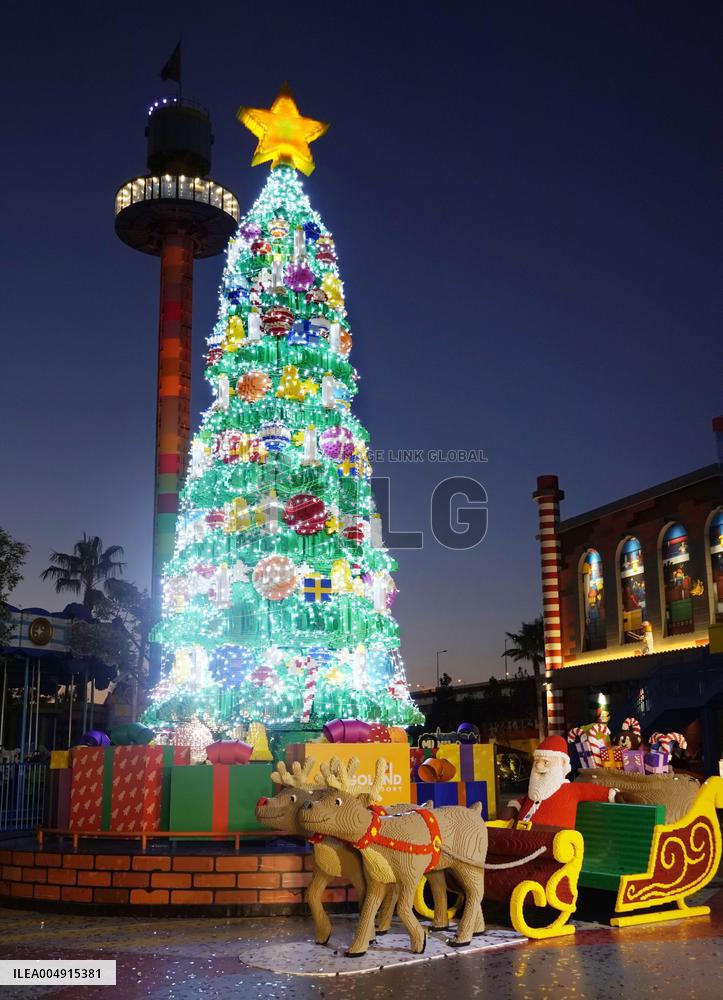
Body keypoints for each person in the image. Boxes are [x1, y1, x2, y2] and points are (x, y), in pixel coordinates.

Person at [505, 736, 617, 829]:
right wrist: (513, 807)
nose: (538, 766)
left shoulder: (571, 790)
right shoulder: (533, 792)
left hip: (555, 841)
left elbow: (594, 791)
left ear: (562, 764)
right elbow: (524, 801)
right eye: (536, 761)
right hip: (520, 841)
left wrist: (616, 795)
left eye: (545, 762)